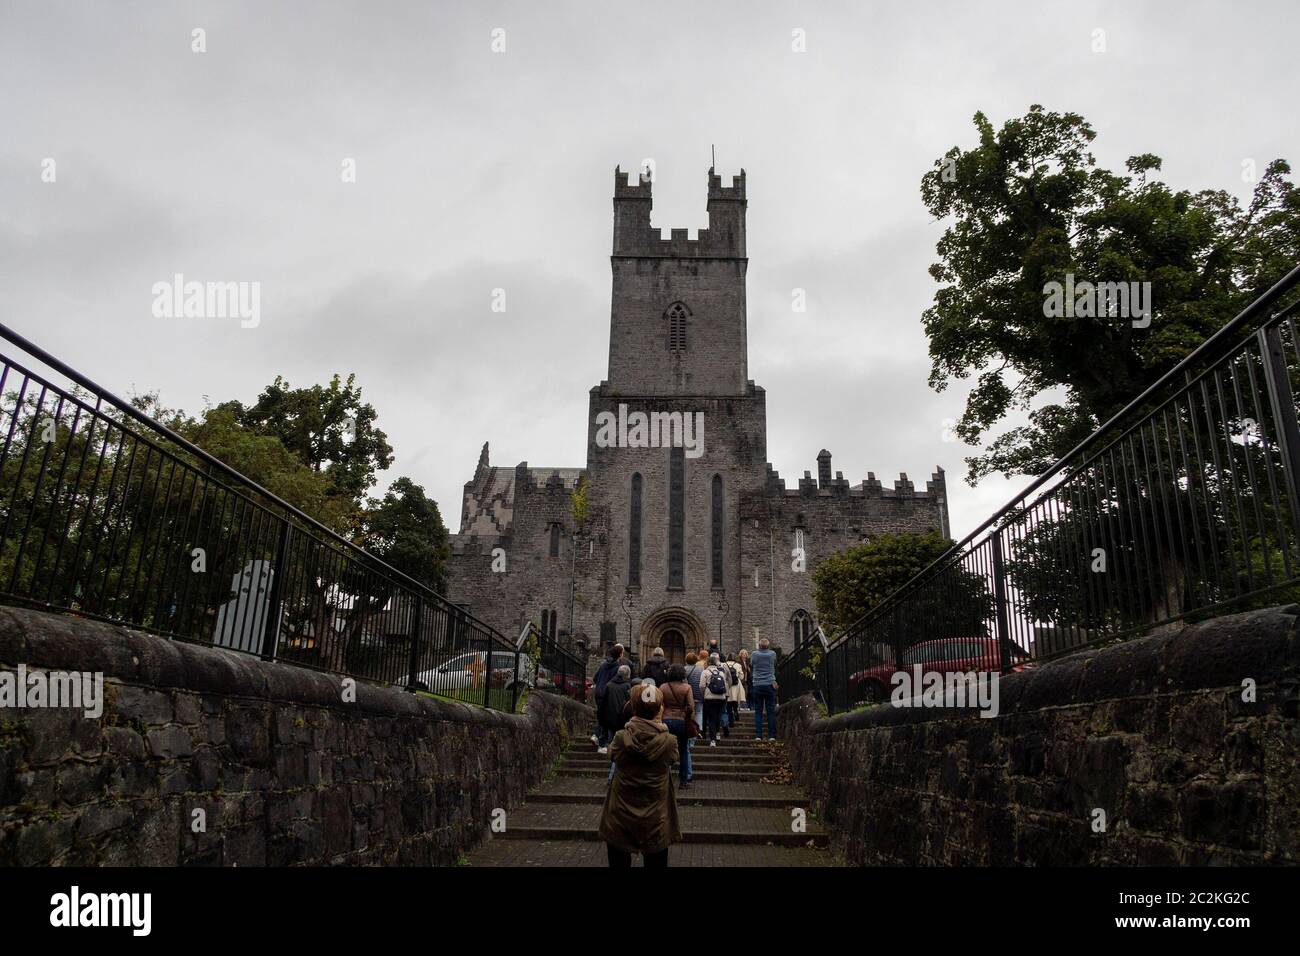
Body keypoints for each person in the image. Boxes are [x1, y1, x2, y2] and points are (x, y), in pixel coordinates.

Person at [598, 682, 682, 867]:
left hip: (621, 811)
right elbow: (672, 759)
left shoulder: (621, 738)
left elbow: (612, 755)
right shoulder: (669, 741)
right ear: (659, 709)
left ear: (634, 708)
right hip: (656, 813)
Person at [658, 664, 695, 788]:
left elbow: (659, 704)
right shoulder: (686, 687)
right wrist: (687, 714)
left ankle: (663, 780)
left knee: (664, 750)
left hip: (666, 720)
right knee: (683, 750)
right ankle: (684, 781)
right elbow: (691, 706)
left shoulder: (663, 687)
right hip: (681, 721)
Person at [591, 644, 629, 750]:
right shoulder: (617, 667)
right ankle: (601, 740)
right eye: (622, 652)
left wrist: (600, 684)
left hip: (598, 693)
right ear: (620, 654)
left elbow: (595, 678)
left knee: (602, 716)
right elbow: (614, 682)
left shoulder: (604, 664)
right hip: (607, 693)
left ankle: (597, 736)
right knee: (607, 719)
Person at [597, 664, 632, 755]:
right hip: (621, 718)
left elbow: (603, 702)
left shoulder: (609, 685)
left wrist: (601, 717)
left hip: (608, 716)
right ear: (627, 675)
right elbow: (629, 703)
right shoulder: (627, 686)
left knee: (611, 738)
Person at [750, 638, 779, 741]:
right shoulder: (772, 654)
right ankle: (772, 735)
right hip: (769, 684)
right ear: (768, 646)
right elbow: (775, 663)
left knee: (758, 711)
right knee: (770, 711)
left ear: (759, 645)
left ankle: (758, 735)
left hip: (757, 684)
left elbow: (752, 664)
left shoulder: (754, 654)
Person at [699, 653, 731, 747]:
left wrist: (704, 694)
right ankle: (717, 734)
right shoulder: (721, 672)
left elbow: (701, 686)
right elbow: (725, 685)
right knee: (718, 716)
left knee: (711, 718)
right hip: (721, 698)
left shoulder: (705, 672)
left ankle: (712, 740)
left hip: (709, 698)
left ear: (708, 662)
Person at [684, 652, 706, 737]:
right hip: (698, 694)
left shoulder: (684, 669)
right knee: (699, 712)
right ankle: (699, 730)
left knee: (688, 713)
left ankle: (689, 729)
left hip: (688, 695)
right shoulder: (701, 669)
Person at [726, 652, 746, 726]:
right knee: (734, 700)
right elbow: (741, 677)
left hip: (727, 685)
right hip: (736, 685)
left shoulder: (724, 665)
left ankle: (730, 721)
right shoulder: (738, 665)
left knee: (728, 703)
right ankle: (736, 712)